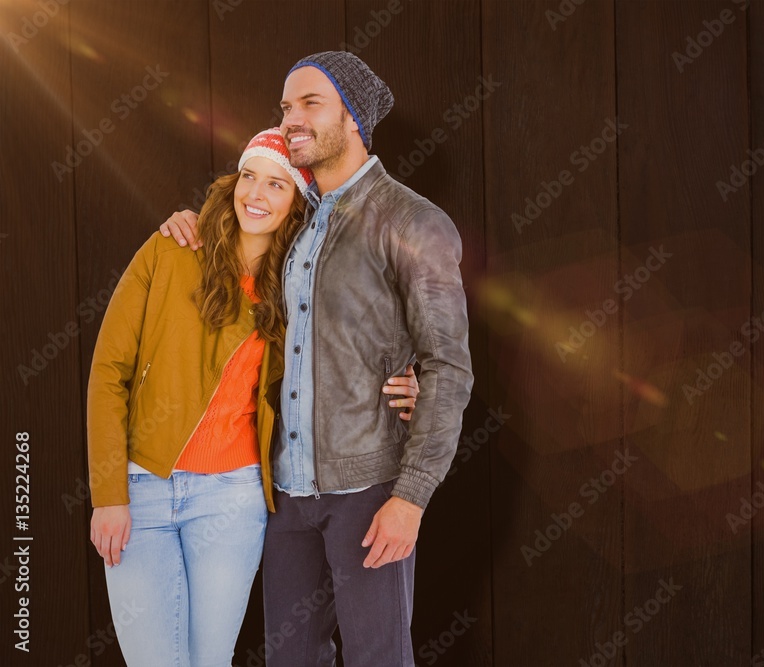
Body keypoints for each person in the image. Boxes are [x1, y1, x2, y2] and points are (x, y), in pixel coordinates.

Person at [160, 51, 474, 666]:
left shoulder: (413, 221)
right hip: (285, 494)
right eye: (285, 107)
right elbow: (235, 258)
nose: (289, 119)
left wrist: (410, 497)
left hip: (369, 488)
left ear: (352, 118)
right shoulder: (294, 220)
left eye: (310, 104)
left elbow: (448, 366)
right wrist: (189, 225)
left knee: (377, 657)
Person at [87, 128, 420, 667]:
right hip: (142, 489)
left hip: (233, 499)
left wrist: (405, 379)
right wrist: (108, 494)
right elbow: (108, 373)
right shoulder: (171, 250)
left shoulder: (297, 292)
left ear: (296, 206)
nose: (256, 195)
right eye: (248, 177)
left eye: (276, 185)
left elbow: (346, 352)